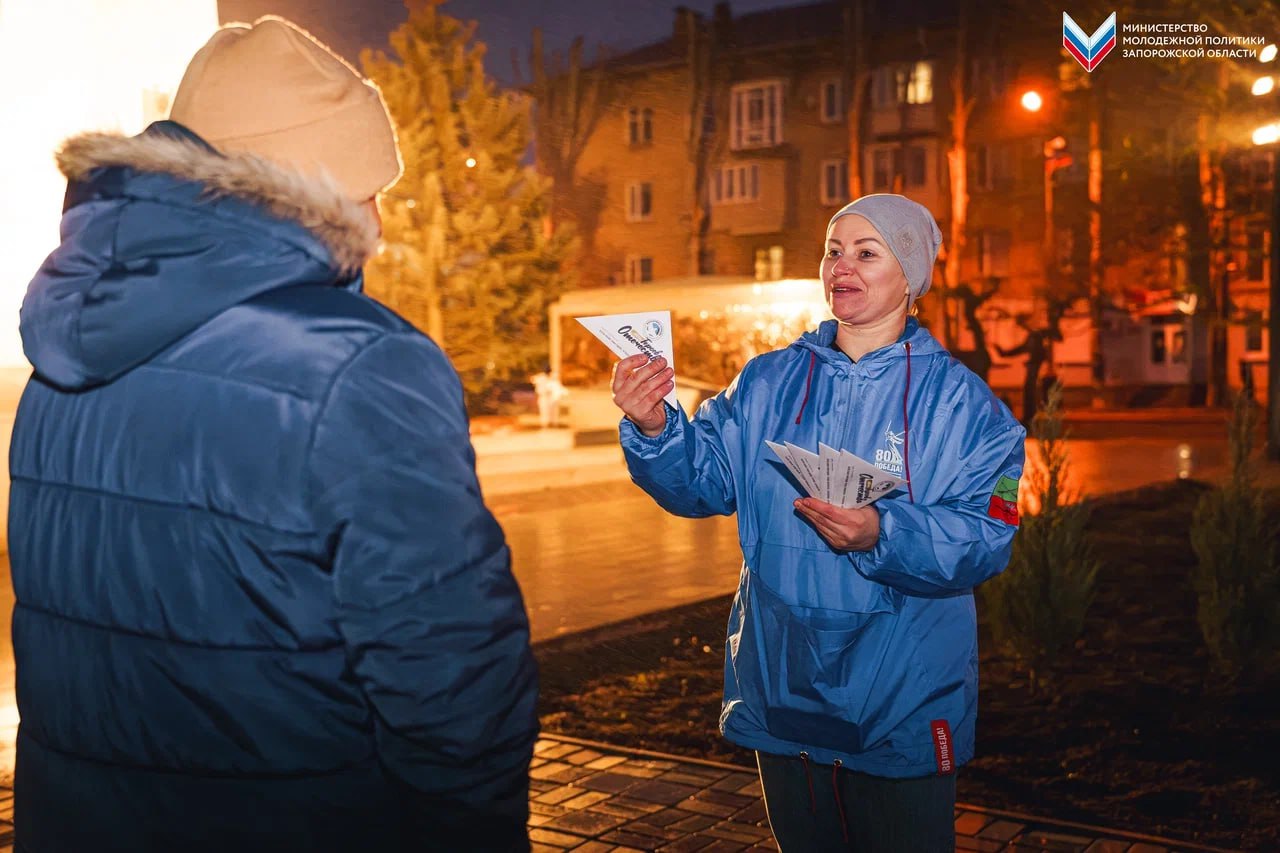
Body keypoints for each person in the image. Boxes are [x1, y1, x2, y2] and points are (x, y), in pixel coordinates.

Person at [8, 17, 537, 853]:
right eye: (364, 190)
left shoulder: (61, 358)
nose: (381, 223)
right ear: (305, 187)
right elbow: (449, 675)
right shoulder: (362, 362)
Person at [610, 194, 1025, 852]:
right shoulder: (764, 382)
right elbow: (704, 483)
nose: (843, 266)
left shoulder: (966, 406)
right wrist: (655, 428)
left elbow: (989, 536)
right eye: (833, 250)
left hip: (902, 700)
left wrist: (883, 534)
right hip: (784, 688)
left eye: (866, 252)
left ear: (910, 272)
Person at [996, 313, 1055, 425]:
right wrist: (1004, 353)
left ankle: (1030, 417)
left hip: (1033, 366)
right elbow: (1023, 348)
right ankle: (1029, 417)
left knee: (1030, 390)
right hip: (1032, 365)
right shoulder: (1034, 336)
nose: (1021, 327)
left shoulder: (1036, 335)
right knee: (1029, 390)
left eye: (1021, 324)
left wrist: (1005, 353)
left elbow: (1029, 349)